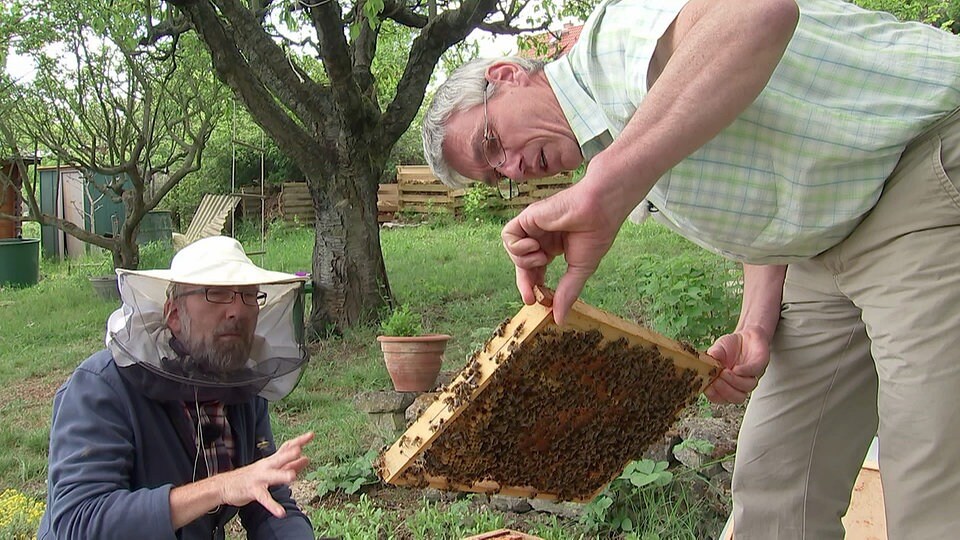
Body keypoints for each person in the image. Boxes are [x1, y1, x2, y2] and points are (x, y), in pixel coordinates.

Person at [422, 0, 960, 537]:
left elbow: (760, 13)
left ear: (507, 75)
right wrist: (755, 323)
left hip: (920, 159)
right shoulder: (623, 145)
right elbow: (768, 196)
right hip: (831, 237)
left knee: (928, 472)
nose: (511, 168)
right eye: (494, 174)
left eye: (490, 142)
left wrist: (610, 181)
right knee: (775, 481)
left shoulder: (610, 46)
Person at [38, 236, 316, 539]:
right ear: (173, 315)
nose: (239, 310)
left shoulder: (241, 387)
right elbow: (80, 522)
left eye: (249, 296)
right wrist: (221, 487)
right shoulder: (101, 388)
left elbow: (268, 503)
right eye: (218, 294)